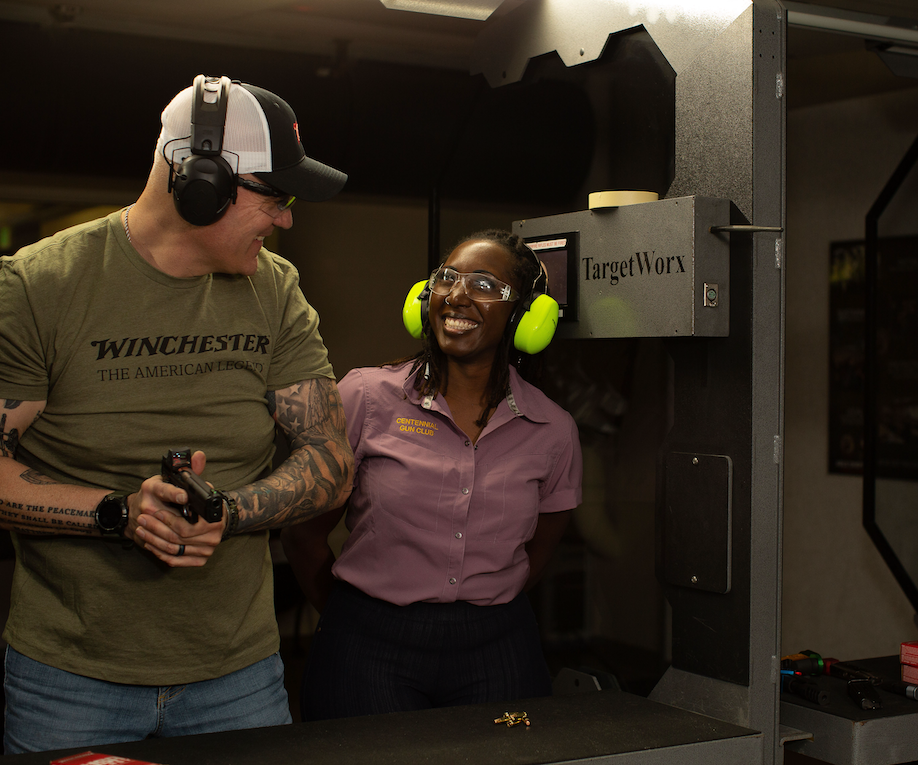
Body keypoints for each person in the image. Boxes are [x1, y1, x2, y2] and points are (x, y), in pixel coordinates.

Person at [0, 75, 354, 753]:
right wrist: (118, 512)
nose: (286, 219)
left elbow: (330, 463)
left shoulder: (276, 289)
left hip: (239, 675)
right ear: (200, 181)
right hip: (71, 681)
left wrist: (228, 510)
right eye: (274, 197)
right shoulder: (38, 285)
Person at [283, 229, 581, 718]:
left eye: (484, 284)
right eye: (446, 279)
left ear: (526, 316)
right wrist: (352, 620)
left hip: (499, 647)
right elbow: (303, 534)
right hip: (367, 644)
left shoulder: (553, 430)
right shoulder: (365, 396)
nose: (456, 296)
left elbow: (542, 546)